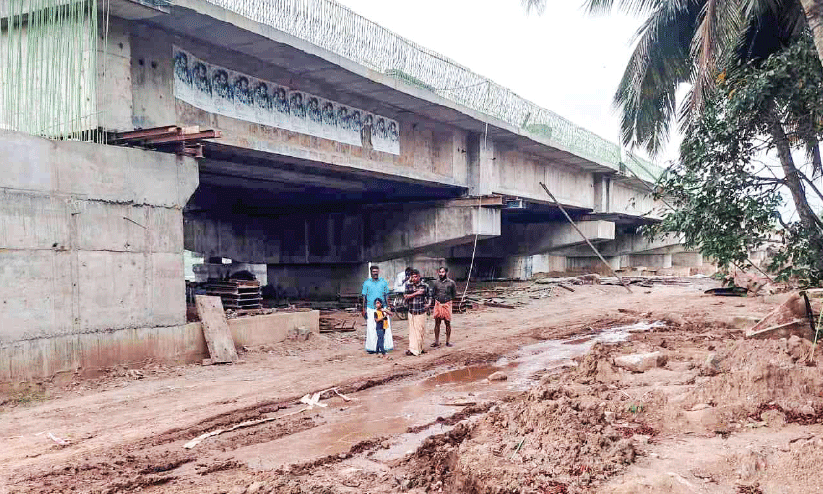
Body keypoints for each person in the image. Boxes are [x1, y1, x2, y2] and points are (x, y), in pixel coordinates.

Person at [361, 265, 389, 354]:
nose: (375, 273)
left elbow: (387, 295)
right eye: (373, 272)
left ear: (378, 272)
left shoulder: (383, 282)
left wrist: (388, 307)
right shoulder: (366, 283)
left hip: (382, 309)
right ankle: (372, 348)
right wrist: (363, 309)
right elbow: (364, 297)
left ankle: (385, 347)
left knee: (384, 328)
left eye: (377, 271)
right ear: (371, 272)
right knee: (371, 328)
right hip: (370, 308)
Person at [404, 269, 430, 356]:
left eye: (416, 276)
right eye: (412, 277)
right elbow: (406, 296)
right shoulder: (408, 285)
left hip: (421, 311)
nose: (414, 278)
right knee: (412, 332)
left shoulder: (425, 285)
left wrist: (428, 304)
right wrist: (416, 293)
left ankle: (420, 348)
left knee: (420, 331)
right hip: (412, 311)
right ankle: (413, 350)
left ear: (419, 276)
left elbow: (429, 296)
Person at [430, 267, 457, 347]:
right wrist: (437, 300)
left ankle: (448, 341)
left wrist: (447, 301)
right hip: (438, 304)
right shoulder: (435, 283)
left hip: (447, 305)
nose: (441, 274)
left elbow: (454, 294)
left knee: (447, 323)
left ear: (446, 273)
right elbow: (433, 293)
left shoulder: (451, 283)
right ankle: (436, 342)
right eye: (440, 272)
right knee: (437, 323)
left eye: (442, 272)